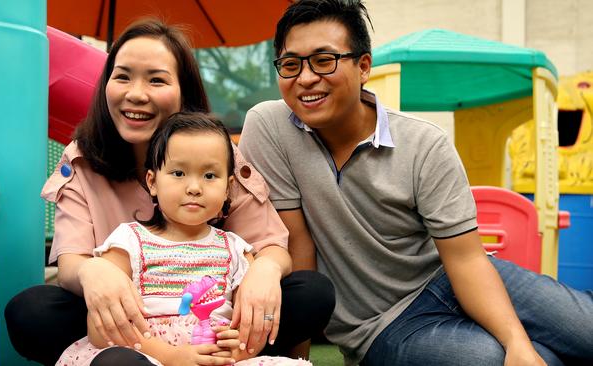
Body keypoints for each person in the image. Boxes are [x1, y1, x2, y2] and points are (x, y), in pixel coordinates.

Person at [238, 1, 593, 365]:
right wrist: (299, 362)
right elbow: (299, 250)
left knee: (582, 331)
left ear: (363, 67)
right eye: (291, 64)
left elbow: (467, 260)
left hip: (448, 277)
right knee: (498, 360)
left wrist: (516, 339)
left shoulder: (424, 144)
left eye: (324, 60)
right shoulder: (271, 128)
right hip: (383, 327)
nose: (306, 78)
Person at [5, 18, 334, 366]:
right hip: (126, 321)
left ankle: (220, 356)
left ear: (183, 91)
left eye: (157, 79)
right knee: (33, 312)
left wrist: (262, 273)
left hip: (217, 321)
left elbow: (270, 245)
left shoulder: (218, 156)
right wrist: (93, 272)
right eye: (123, 76)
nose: (136, 94)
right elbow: (72, 261)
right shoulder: (83, 161)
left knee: (310, 293)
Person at [56, 112, 311, 366]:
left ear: (227, 188)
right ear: (152, 182)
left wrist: (238, 350)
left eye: (209, 176)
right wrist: (174, 358)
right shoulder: (128, 243)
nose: (194, 187)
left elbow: (254, 325)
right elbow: (101, 328)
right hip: (149, 356)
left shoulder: (235, 250)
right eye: (178, 173)